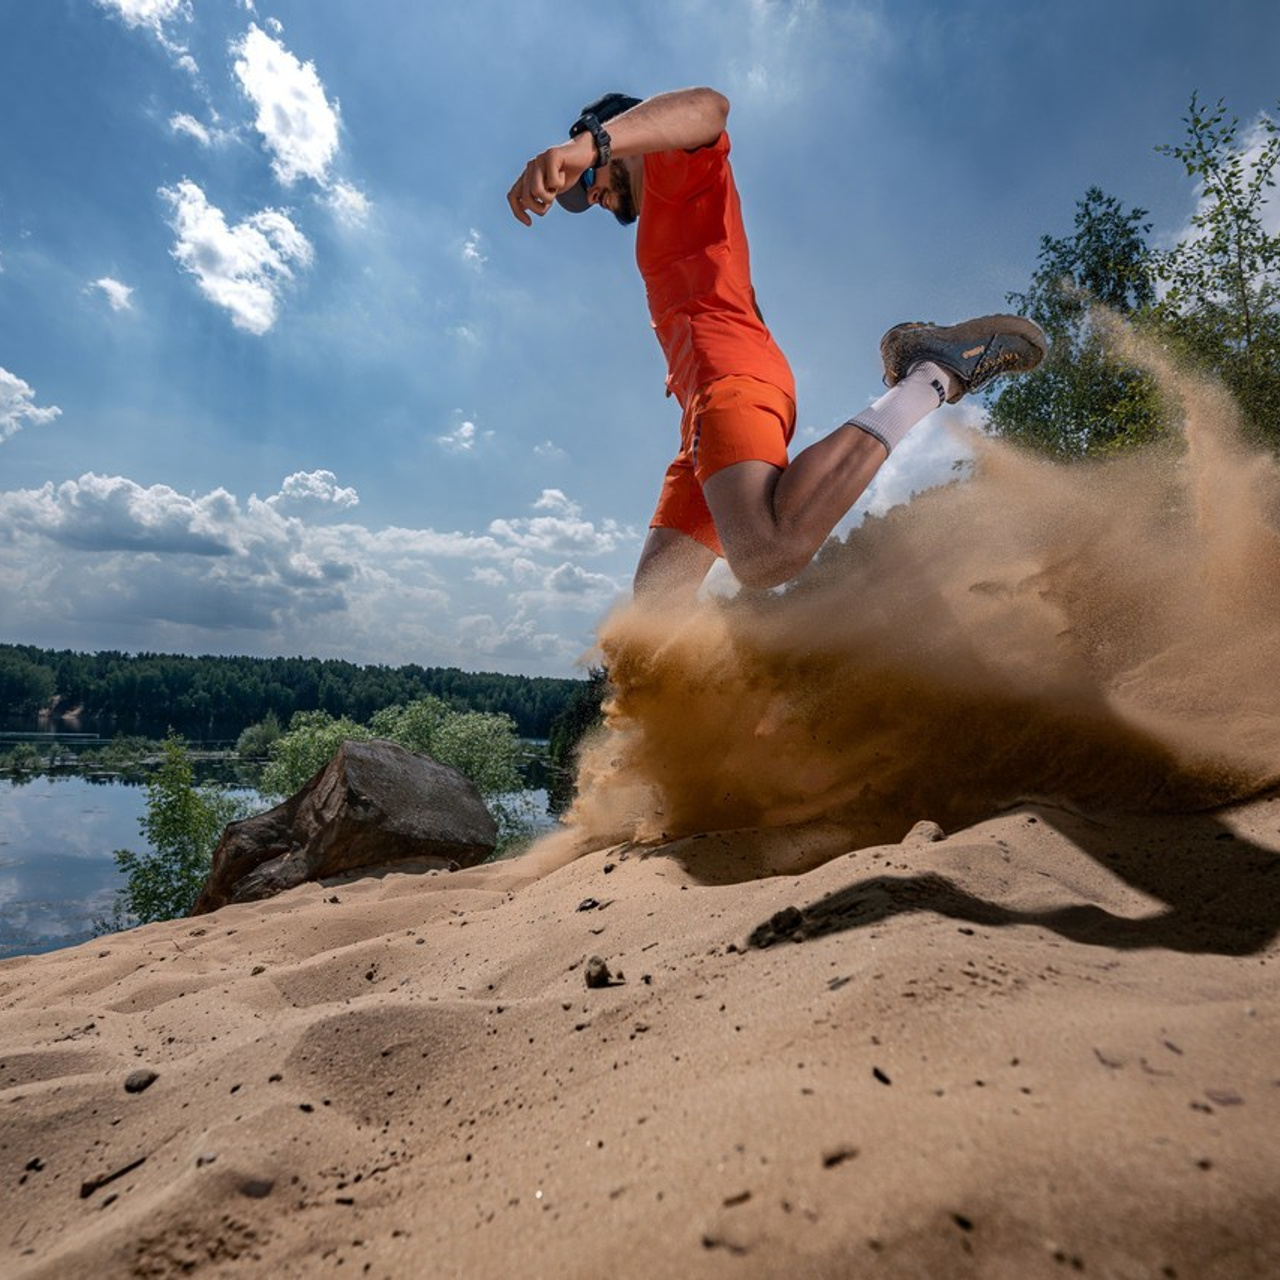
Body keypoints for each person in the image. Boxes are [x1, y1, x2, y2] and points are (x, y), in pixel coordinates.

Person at [507, 87, 1046, 601]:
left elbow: (709, 107)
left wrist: (585, 146)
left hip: (730, 382)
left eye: (589, 180)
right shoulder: (672, 215)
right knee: (656, 601)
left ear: (617, 131)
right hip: (706, 405)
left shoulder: (677, 164)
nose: (590, 194)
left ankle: (931, 376)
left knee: (767, 552)